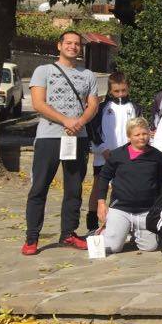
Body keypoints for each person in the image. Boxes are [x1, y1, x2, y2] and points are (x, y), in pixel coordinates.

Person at [23, 30, 99, 255]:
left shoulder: (88, 75)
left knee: (74, 188)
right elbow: (38, 103)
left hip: (78, 138)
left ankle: (68, 233)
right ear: (59, 45)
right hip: (49, 136)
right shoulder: (43, 71)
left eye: (77, 44)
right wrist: (66, 120)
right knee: (39, 187)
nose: (73, 47)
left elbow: (93, 105)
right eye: (69, 43)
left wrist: (79, 122)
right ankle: (32, 237)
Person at [95, 117, 162, 253]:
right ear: (129, 136)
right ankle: (105, 231)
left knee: (150, 247)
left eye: (144, 134)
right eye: (137, 135)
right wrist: (101, 202)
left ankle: (134, 231)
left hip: (146, 210)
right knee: (112, 248)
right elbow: (103, 178)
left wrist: (159, 208)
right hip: (121, 209)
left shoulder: (157, 156)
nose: (142, 137)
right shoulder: (116, 155)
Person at [86, 72, 141, 232]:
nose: (120, 94)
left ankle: (120, 224)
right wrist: (102, 149)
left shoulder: (135, 108)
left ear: (128, 88)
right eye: (116, 91)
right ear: (110, 90)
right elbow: (94, 131)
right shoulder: (102, 108)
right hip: (104, 156)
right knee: (98, 188)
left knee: (124, 189)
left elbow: (138, 130)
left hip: (127, 157)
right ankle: (92, 224)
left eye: (123, 90)